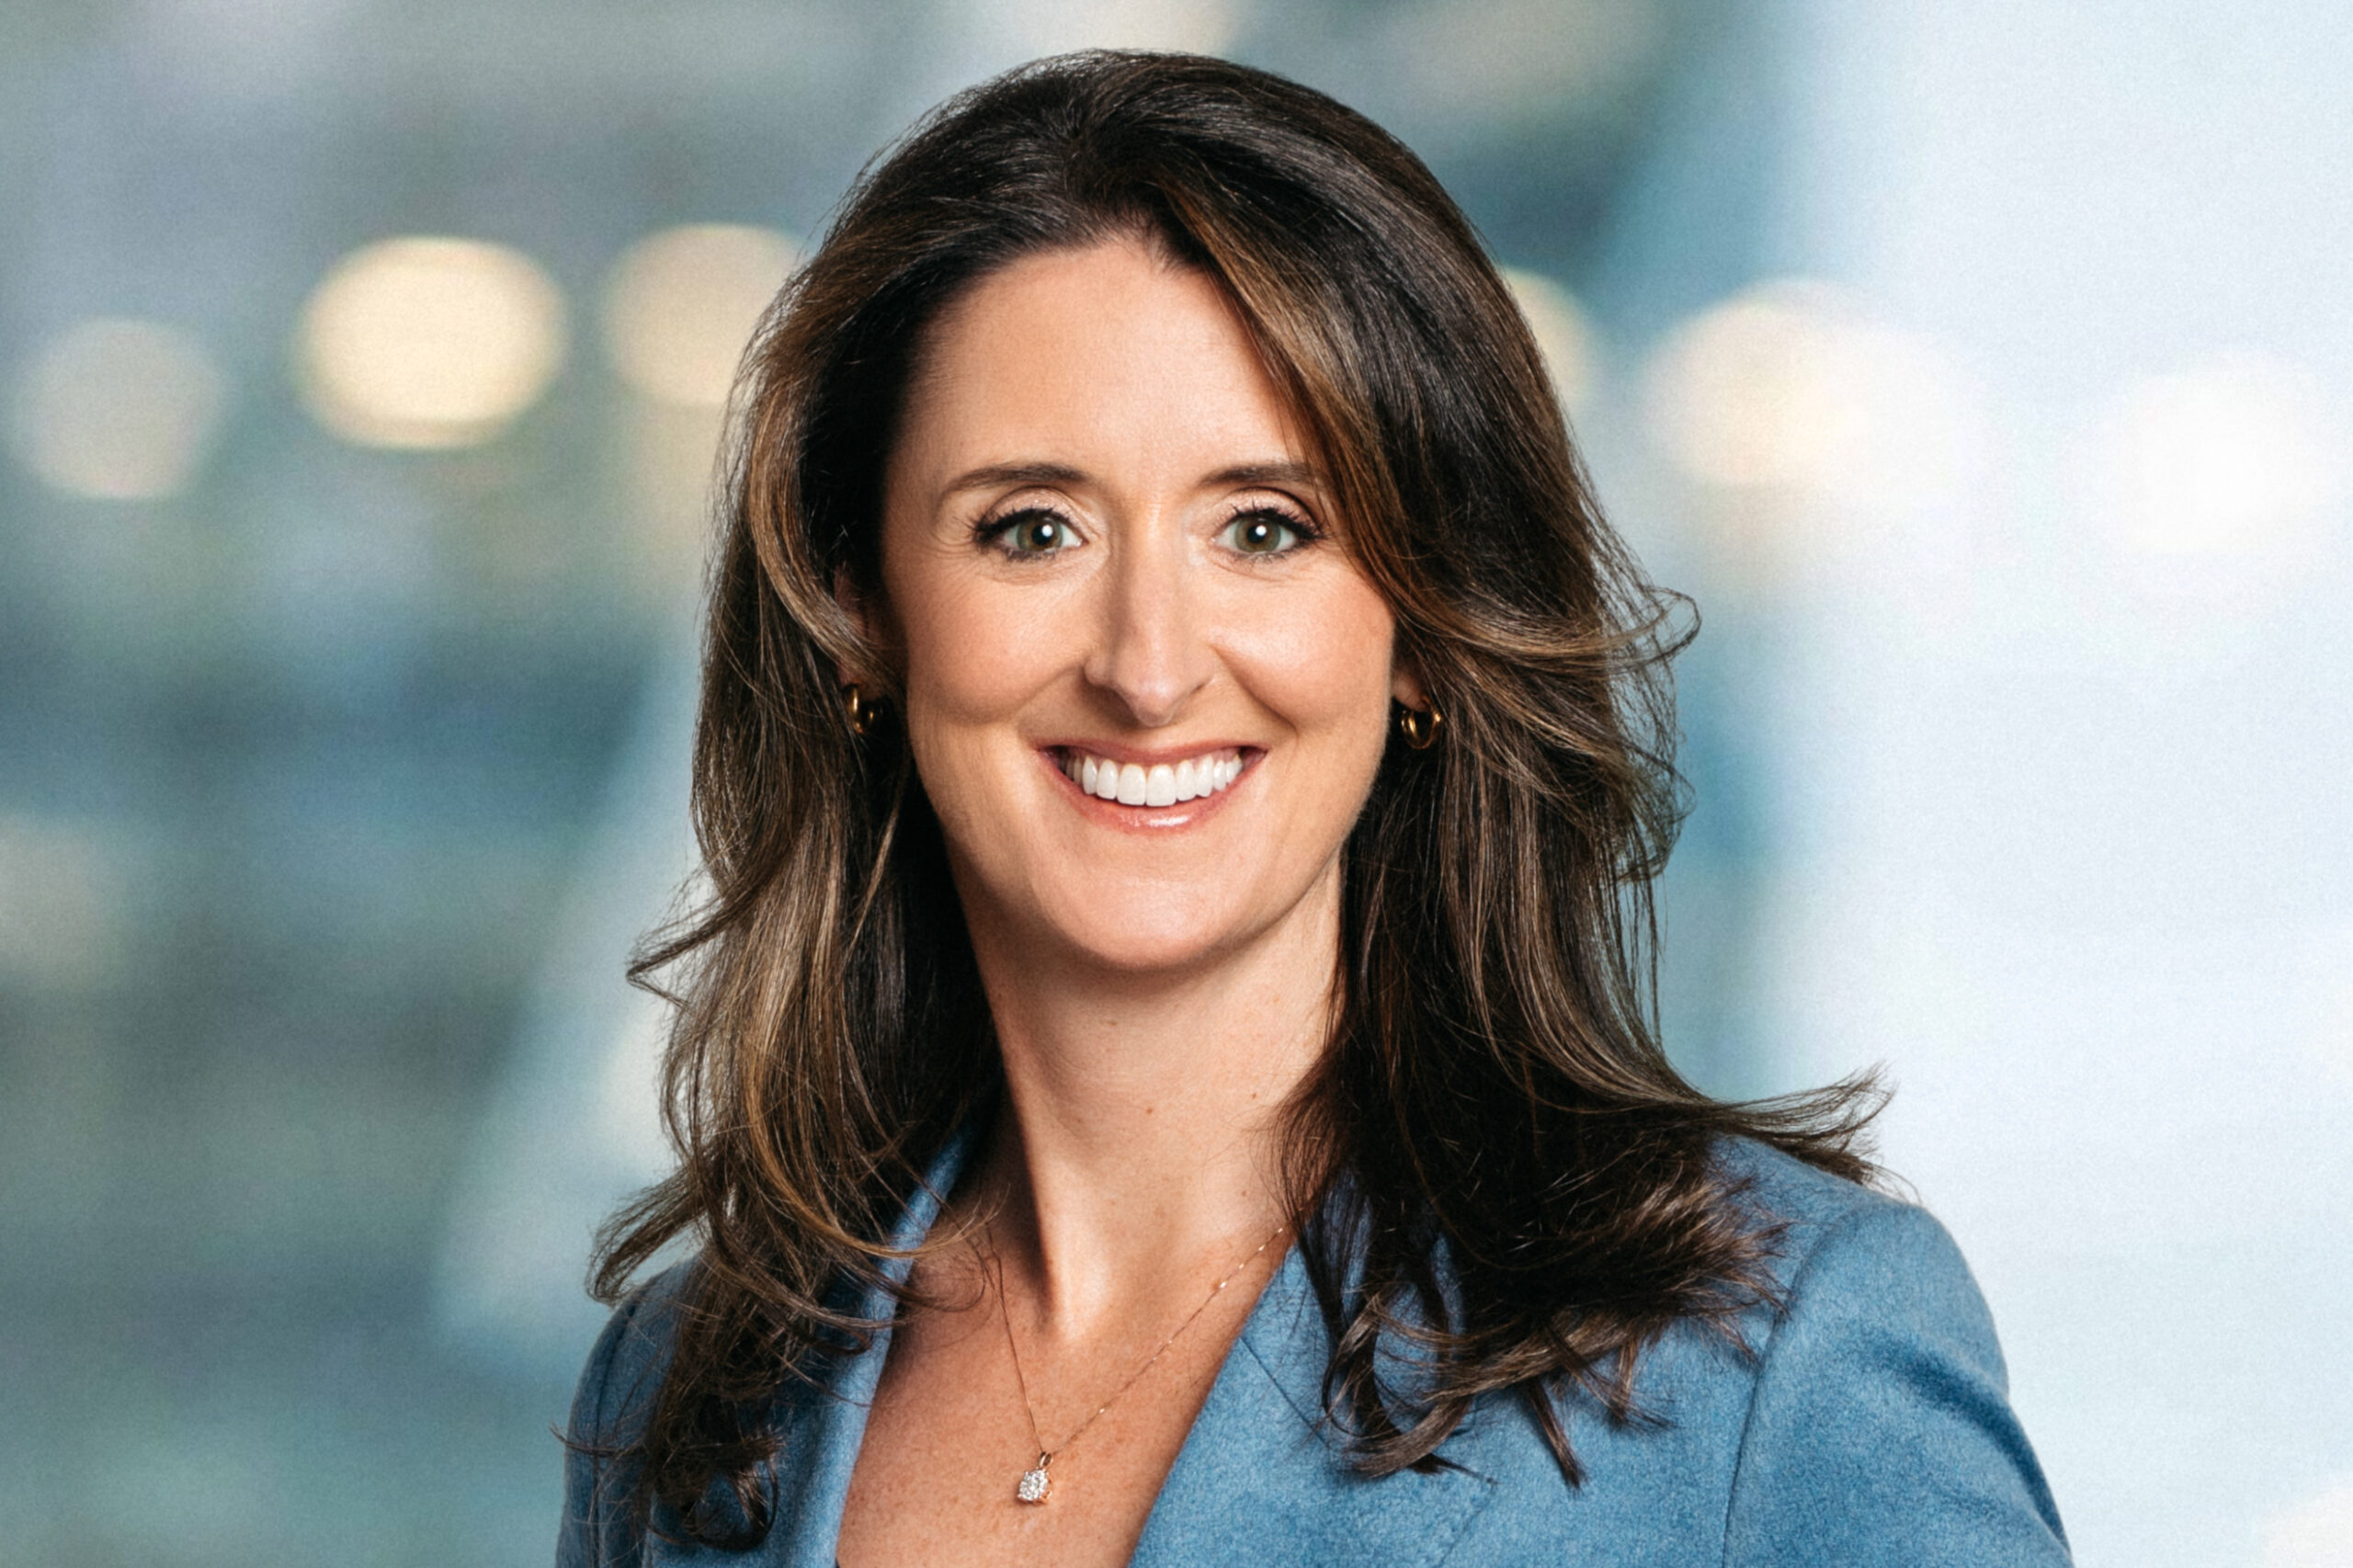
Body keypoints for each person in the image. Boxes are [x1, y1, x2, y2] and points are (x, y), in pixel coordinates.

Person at [560, 51, 2070, 1568]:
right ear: (860, 613)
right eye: (1032, 528)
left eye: (1265, 528)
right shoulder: (691, 1390)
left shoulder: (1773, 1355)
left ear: (1417, 624)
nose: (1148, 665)